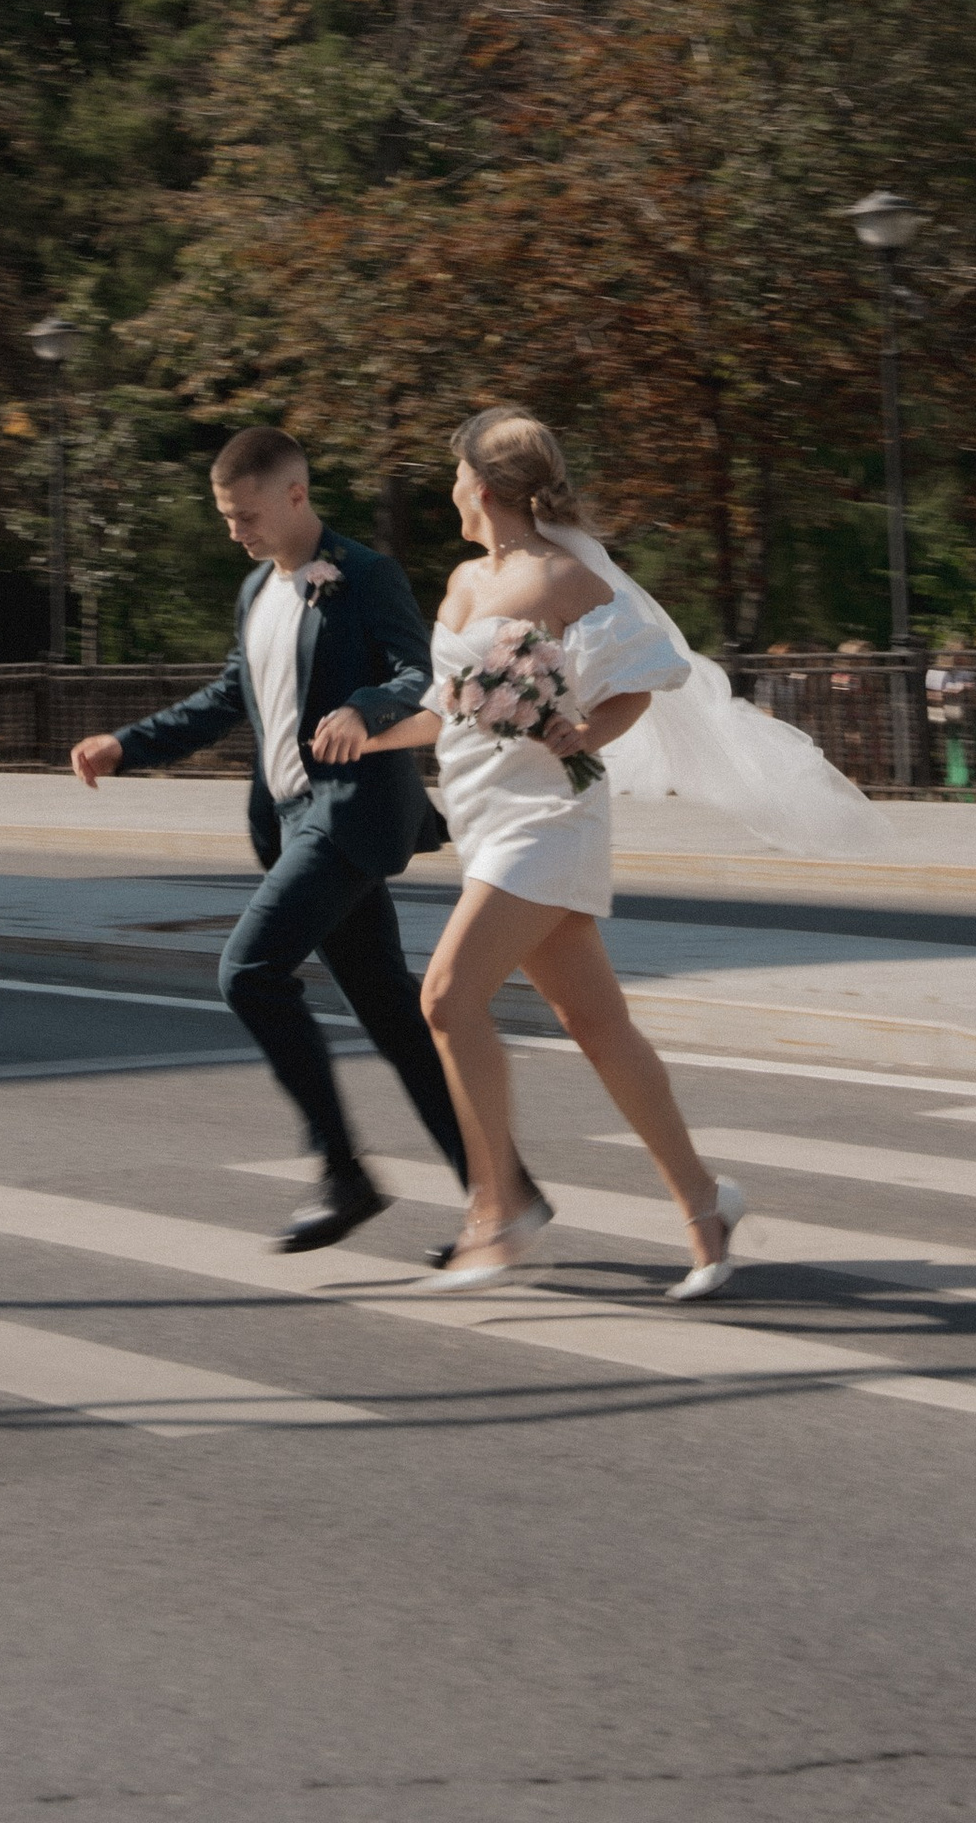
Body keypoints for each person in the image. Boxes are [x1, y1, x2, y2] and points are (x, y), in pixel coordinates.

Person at [345, 406, 870, 1294]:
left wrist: (584, 730)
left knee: (446, 997)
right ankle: (705, 1206)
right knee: (598, 1025)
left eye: (458, 475)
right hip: (484, 815)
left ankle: (498, 1211)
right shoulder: (464, 581)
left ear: (485, 485)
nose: (451, 489)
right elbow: (447, 709)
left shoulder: (565, 578)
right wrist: (368, 738)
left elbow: (646, 673)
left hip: (548, 819)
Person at [69, 427, 468, 1253]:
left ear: (295, 495)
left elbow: (421, 675)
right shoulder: (257, 588)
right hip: (291, 823)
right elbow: (230, 696)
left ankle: (343, 1173)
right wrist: (125, 745)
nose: (234, 531)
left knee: (249, 973)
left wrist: (364, 707)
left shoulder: (364, 574)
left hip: (348, 814)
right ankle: (503, 1193)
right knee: (393, 1018)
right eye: (224, 516)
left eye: (245, 515)